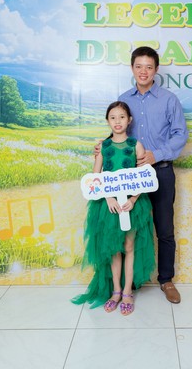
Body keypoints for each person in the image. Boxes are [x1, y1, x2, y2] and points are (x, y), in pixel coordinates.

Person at [72, 101, 156, 315]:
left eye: (122, 117)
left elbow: (143, 178)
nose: (117, 121)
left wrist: (134, 199)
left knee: (129, 246)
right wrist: (108, 196)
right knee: (114, 248)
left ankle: (128, 291)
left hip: (131, 206)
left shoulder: (136, 145)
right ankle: (116, 291)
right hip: (109, 205)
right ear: (107, 121)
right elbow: (96, 176)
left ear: (129, 120)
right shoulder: (104, 147)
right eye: (113, 117)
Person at [119, 46, 188, 304]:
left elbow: (180, 134)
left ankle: (166, 280)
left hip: (161, 172)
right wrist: (103, 146)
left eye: (149, 67)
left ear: (156, 70)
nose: (143, 71)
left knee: (165, 229)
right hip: (131, 176)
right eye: (139, 66)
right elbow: (118, 131)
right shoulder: (124, 99)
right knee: (131, 229)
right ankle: (132, 281)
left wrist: (155, 155)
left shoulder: (169, 99)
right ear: (132, 68)